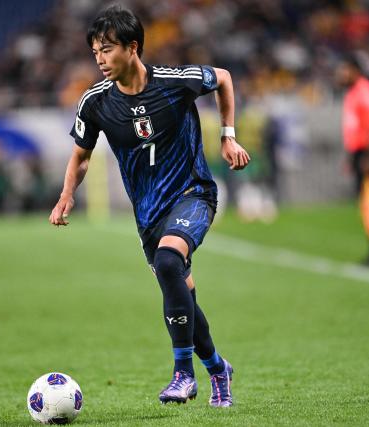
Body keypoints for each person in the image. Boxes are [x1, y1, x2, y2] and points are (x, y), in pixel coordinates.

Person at [49, 5, 250, 407]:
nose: (100, 60)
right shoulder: (95, 103)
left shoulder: (175, 82)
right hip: (149, 214)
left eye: (107, 50)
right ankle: (217, 368)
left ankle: (183, 375)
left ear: (133, 47)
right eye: (95, 53)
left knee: (170, 262)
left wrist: (227, 135)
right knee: (181, 292)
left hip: (193, 194)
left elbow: (223, 79)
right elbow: (81, 155)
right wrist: (66, 194)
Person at [336, 55, 369, 266]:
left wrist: (368, 158)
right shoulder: (353, 92)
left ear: (355, 70)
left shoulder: (365, 92)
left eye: (345, 70)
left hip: (366, 153)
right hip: (358, 153)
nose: (341, 74)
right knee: (366, 201)